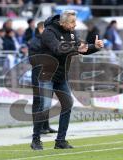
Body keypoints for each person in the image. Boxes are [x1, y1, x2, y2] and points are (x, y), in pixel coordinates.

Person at [30, 10, 104, 150]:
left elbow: (81, 49)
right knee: (45, 106)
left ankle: (60, 141)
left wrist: (95, 47)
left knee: (67, 105)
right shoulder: (48, 32)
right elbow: (58, 49)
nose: (75, 25)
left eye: (75, 21)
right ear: (63, 22)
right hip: (47, 75)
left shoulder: (71, 33)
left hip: (61, 76)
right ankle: (36, 140)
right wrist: (76, 47)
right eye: (72, 22)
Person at [29, 21, 58, 135]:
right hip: (38, 74)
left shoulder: (45, 41)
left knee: (46, 100)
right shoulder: (35, 42)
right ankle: (38, 127)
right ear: (41, 29)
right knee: (38, 101)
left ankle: (46, 125)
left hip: (47, 75)